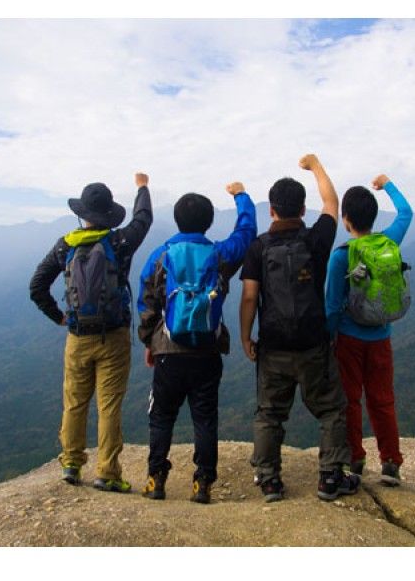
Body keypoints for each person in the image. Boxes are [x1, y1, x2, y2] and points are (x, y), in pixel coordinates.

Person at [239, 154, 358, 503]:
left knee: (269, 413)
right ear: (303, 211)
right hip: (313, 343)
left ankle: (269, 479)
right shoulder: (316, 240)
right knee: (331, 409)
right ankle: (330, 478)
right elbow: (332, 202)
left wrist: (247, 336)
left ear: (271, 210)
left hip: (273, 345)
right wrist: (317, 166)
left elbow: (249, 298)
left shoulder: (258, 247)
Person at [29, 173, 152, 491]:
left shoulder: (64, 246)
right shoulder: (119, 242)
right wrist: (142, 187)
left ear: (81, 213)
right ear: (108, 214)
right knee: (109, 405)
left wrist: (59, 317)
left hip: (78, 336)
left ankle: (71, 463)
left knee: (74, 401)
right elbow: (144, 219)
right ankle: (108, 473)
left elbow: (37, 286)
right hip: (113, 336)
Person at [137, 182, 256, 504]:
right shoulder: (219, 255)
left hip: (168, 352)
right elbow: (246, 234)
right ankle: (202, 484)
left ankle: (155, 479)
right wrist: (241, 196)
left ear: (177, 220)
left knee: (162, 416)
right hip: (207, 351)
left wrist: (150, 341)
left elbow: (147, 303)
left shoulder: (161, 255)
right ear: (208, 221)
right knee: (205, 418)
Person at [325, 174, 412, 486]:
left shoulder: (341, 255)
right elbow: (406, 213)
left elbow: (332, 306)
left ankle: (356, 459)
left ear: (345, 219)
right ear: (373, 217)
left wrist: (329, 339)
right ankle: (390, 463)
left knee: (350, 400)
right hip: (381, 337)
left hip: (349, 340)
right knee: (382, 399)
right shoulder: (389, 241)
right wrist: (388, 184)